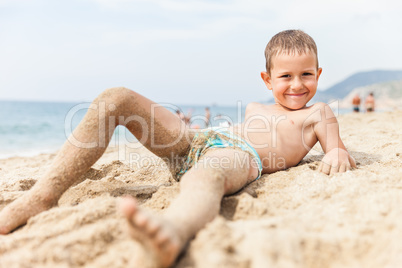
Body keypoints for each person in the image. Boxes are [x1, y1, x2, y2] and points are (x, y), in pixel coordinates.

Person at [0, 30, 356, 267]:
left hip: (238, 157)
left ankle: (174, 230)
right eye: (285, 76)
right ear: (267, 79)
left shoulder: (317, 113)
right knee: (117, 98)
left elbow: (335, 147)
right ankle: (42, 195)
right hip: (198, 140)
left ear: (319, 74)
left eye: (306, 75)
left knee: (207, 176)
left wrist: (336, 152)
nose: (297, 85)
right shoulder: (255, 108)